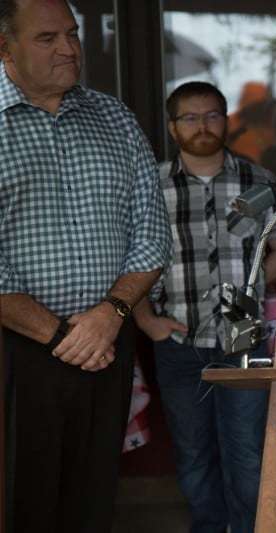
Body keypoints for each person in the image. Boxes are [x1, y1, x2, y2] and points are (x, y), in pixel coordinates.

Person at [0, 1, 171, 531]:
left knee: (92, 502)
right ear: (4, 48)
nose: (69, 49)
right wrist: (58, 335)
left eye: (72, 34)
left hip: (105, 344)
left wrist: (110, 313)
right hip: (15, 352)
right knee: (17, 504)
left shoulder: (113, 117)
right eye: (47, 38)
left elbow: (153, 232)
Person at [132, 81, 276, 533]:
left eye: (212, 115)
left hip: (242, 339)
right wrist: (148, 322)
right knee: (194, 456)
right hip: (179, 339)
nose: (202, 125)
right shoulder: (150, 185)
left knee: (246, 456)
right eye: (190, 117)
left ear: (227, 120)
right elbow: (129, 259)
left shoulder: (257, 180)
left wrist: (251, 290)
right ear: (172, 126)